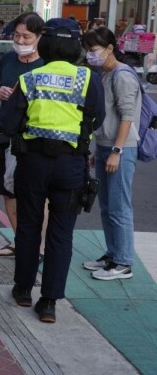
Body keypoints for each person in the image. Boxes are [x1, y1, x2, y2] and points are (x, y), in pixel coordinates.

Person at [0, 18, 105, 324]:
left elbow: (7, 123)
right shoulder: (88, 78)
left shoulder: (30, 79)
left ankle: (22, 289)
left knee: (29, 227)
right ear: (76, 46)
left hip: (32, 164)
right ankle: (48, 303)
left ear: (44, 44)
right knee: (61, 234)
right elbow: (96, 119)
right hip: (71, 166)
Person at [81, 27, 141, 281]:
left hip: (121, 148)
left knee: (119, 206)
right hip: (107, 146)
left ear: (109, 49)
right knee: (107, 206)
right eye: (87, 50)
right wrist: (101, 149)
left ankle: (124, 262)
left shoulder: (122, 76)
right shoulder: (104, 74)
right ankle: (113, 254)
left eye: (93, 50)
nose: (89, 55)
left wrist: (115, 150)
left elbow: (127, 116)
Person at [0, 13, 46, 259]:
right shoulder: (8, 59)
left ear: (39, 38)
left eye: (26, 36)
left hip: (37, 138)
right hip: (7, 135)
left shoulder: (47, 63)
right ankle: (19, 241)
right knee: (8, 189)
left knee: (37, 193)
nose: (20, 40)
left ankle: (39, 247)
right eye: (16, 35)